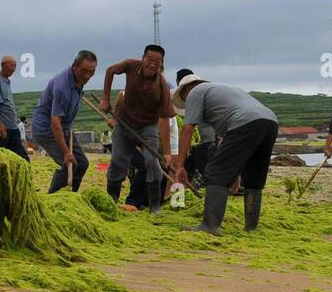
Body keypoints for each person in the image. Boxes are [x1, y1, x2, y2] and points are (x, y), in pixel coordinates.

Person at [172, 75, 278, 233]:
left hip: (244, 123)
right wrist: (233, 174)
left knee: (215, 172)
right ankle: (251, 227)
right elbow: (228, 142)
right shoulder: (224, 92)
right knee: (254, 178)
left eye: (185, 100)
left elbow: (187, 130)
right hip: (270, 122)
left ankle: (210, 226)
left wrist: (180, 166)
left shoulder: (195, 92)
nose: (188, 104)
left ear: (187, 90)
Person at [99, 45, 174, 213]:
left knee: (152, 163)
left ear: (161, 64)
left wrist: (167, 153)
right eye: (149, 60)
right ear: (143, 58)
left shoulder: (162, 86)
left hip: (148, 127)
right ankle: (111, 202)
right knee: (118, 161)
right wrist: (105, 99)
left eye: (157, 62)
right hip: (124, 123)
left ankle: (155, 207)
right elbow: (110, 70)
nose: (152, 65)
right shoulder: (130, 65)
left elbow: (163, 119)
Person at [30, 51, 98, 192]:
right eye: (84, 71)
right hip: (47, 129)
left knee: (82, 163)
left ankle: (72, 196)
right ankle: (54, 199)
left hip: (64, 128)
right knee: (69, 165)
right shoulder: (63, 87)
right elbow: (55, 121)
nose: (87, 76)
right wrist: (66, 152)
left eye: (91, 72)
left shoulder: (80, 79)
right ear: (74, 67)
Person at [0, 55, 29, 160]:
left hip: (12, 127)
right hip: (1, 129)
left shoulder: (7, 82)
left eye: (15, 66)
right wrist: (0, 126)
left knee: (23, 158)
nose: (13, 69)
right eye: (11, 66)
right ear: (3, 66)